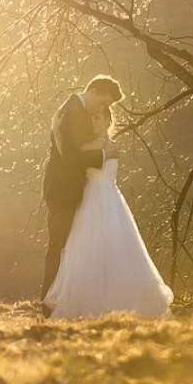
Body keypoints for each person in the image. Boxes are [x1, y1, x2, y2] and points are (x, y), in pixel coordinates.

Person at [41, 77, 173, 319]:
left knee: (73, 247)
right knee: (60, 246)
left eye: (106, 107)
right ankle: (50, 302)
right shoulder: (71, 112)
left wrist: (104, 151)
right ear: (92, 91)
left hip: (81, 192)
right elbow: (70, 156)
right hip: (63, 191)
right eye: (102, 102)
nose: (102, 109)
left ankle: (57, 301)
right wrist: (103, 153)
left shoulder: (78, 110)